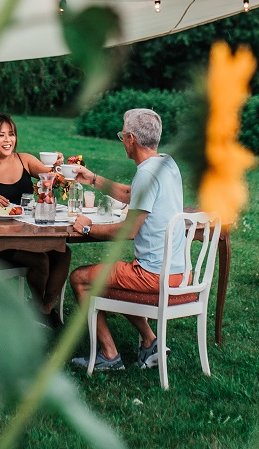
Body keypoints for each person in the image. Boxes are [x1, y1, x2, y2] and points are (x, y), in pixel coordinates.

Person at [67, 108, 185, 371]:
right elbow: (134, 193)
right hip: (177, 272)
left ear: (131, 139)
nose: (122, 140)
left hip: (153, 275)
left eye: (122, 135)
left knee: (81, 279)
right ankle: (149, 341)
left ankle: (109, 355)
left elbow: (128, 231)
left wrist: (87, 228)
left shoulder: (146, 172)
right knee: (116, 274)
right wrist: (93, 179)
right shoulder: (166, 163)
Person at [0, 113, 70, 326]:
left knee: (64, 253)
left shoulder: (24, 160)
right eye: (1, 135)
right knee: (42, 260)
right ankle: (41, 313)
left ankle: (45, 307)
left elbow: (52, 179)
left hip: (28, 234)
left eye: (11, 134)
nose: (8, 140)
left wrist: (56, 166)